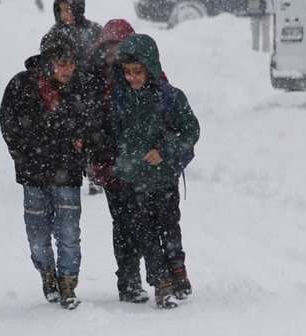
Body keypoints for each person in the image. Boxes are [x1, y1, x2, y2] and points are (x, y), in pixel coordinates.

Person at [0, 31, 89, 310]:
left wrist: (83, 141)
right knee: (37, 234)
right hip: (33, 174)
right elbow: (7, 121)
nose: (68, 69)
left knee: (69, 231)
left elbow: (93, 119)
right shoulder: (21, 84)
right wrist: (22, 152)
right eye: (62, 63)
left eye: (72, 63)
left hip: (68, 171)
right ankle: (46, 273)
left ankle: (68, 283)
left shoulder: (81, 86)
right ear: (47, 61)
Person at [112, 34, 200, 309]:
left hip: (164, 178)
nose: (132, 78)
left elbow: (191, 130)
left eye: (137, 72)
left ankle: (177, 270)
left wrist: (164, 149)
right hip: (134, 179)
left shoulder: (170, 97)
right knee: (145, 231)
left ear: (150, 67)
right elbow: (116, 133)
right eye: (127, 72)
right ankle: (160, 282)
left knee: (169, 225)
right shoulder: (121, 98)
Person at [87, 19, 149, 303]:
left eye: (119, 47)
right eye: (109, 48)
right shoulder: (94, 80)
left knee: (146, 221)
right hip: (112, 164)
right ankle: (129, 279)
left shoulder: (145, 72)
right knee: (124, 222)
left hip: (143, 165)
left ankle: (158, 275)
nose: (114, 54)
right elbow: (87, 120)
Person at [49, 0, 102, 195]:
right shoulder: (55, 33)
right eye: (61, 10)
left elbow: (102, 57)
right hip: (64, 90)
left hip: (89, 88)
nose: (65, 15)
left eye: (69, 10)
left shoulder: (93, 30)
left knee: (90, 130)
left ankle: (93, 173)